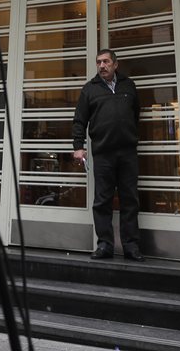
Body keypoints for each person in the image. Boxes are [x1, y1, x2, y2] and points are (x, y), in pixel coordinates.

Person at [72, 48, 144, 261]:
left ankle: (131, 246)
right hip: (103, 153)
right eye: (99, 62)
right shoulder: (90, 89)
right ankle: (104, 245)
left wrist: (128, 133)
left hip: (127, 152)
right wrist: (78, 146)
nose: (102, 66)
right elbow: (79, 120)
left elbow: (135, 114)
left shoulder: (128, 86)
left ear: (115, 64)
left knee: (130, 199)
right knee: (102, 200)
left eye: (106, 62)